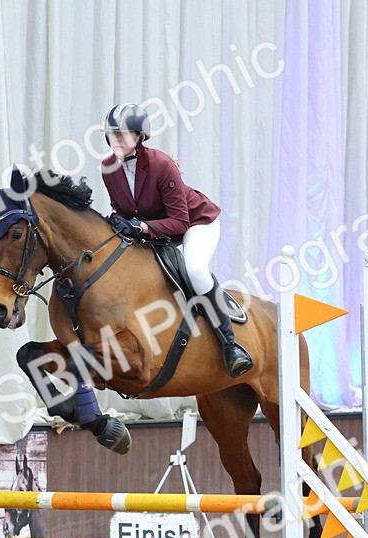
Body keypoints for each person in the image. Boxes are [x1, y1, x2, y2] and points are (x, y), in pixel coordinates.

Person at [99, 103, 253, 378]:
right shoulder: (108, 167)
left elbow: (180, 222)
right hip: (153, 230)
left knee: (194, 269)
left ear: (139, 136)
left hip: (196, 223)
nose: (117, 141)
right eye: (113, 135)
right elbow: (122, 208)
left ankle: (231, 345)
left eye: (123, 134)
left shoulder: (161, 164)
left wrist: (142, 227)